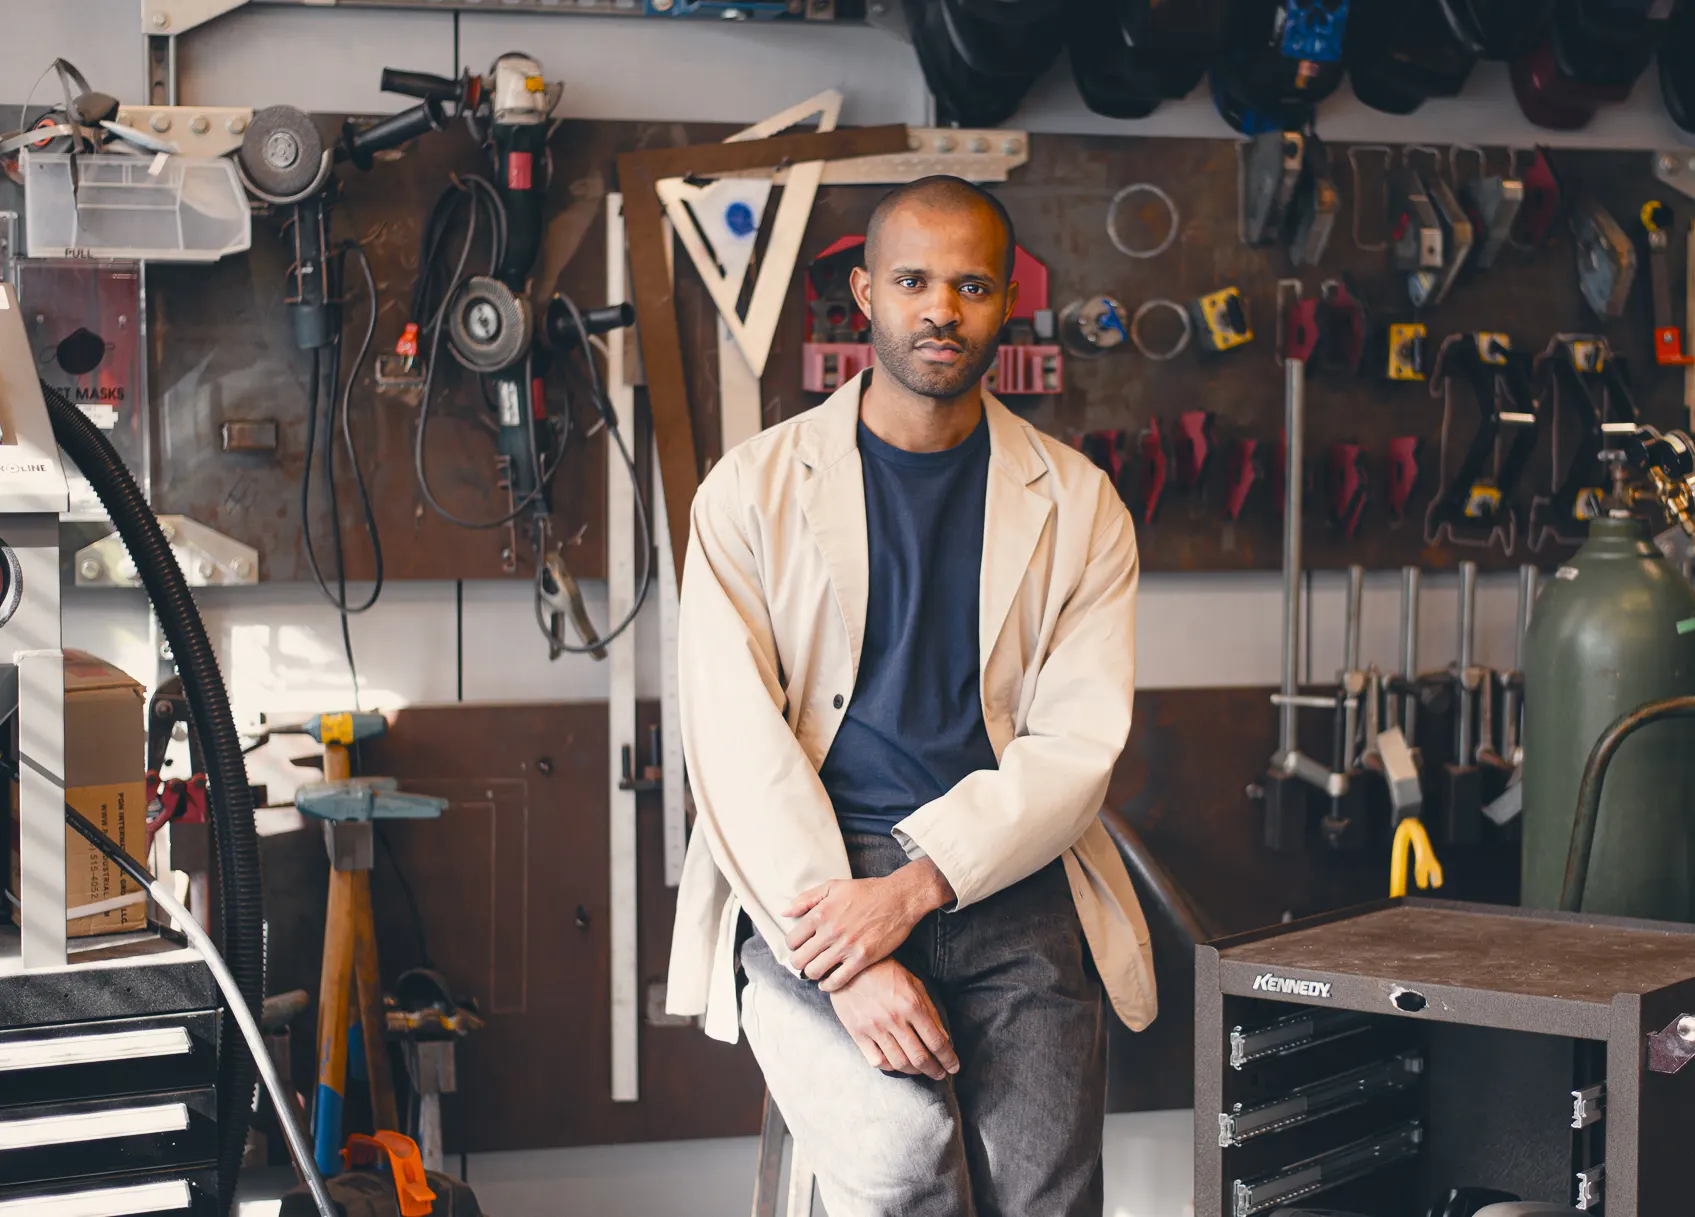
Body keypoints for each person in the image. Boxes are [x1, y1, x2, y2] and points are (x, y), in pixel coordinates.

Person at [665, 175, 1154, 1217]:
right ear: (864, 294)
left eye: (972, 284)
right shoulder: (748, 493)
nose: (942, 308)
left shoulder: (1080, 504)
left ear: (1007, 300)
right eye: (913, 280)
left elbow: (1077, 745)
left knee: (1048, 1196)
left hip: (1006, 879)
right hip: (815, 879)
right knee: (902, 1174)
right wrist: (845, 960)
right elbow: (734, 744)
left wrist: (919, 885)